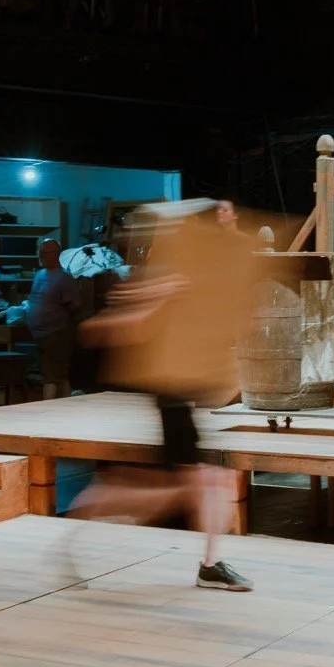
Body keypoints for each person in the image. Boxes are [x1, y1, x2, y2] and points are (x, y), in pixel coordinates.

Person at [71, 201, 255, 592]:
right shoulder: (162, 271)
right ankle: (79, 527)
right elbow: (115, 328)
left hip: (185, 392)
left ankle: (209, 563)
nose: (229, 218)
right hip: (168, 392)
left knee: (200, 482)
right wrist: (159, 297)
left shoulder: (197, 268)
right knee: (179, 487)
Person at [26, 238, 81, 400]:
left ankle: (48, 409)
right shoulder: (39, 274)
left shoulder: (65, 278)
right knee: (55, 375)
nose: (42, 256)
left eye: (46, 253)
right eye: (41, 253)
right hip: (39, 335)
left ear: (56, 255)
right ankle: (64, 406)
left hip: (56, 334)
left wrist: (57, 320)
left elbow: (76, 305)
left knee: (53, 375)